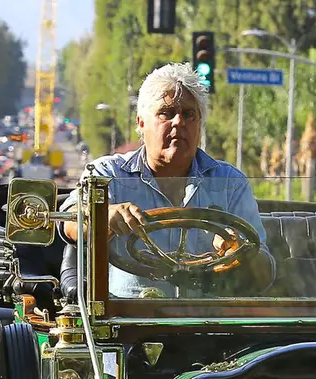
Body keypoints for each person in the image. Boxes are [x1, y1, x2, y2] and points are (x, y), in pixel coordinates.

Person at [61, 63, 274, 298]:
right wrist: (103, 215)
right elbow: (70, 221)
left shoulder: (230, 182)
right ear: (141, 122)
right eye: (167, 113)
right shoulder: (108, 173)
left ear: (200, 125)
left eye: (189, 114)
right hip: (126, 321)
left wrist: (242, 251)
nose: (179, 122)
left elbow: (265, 273)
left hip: (208, 323)